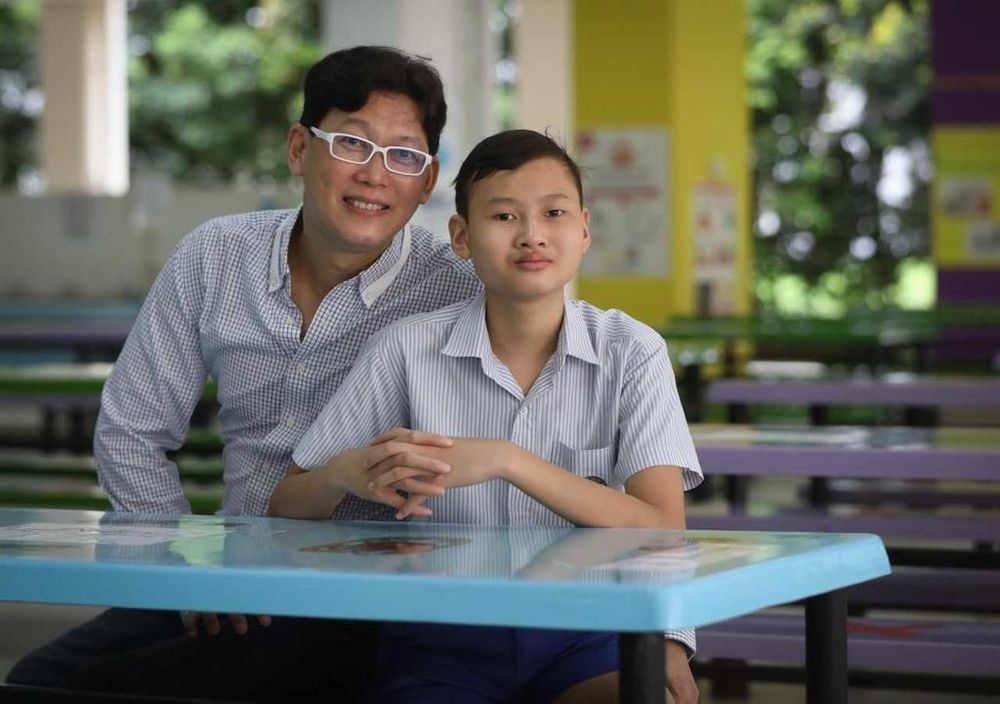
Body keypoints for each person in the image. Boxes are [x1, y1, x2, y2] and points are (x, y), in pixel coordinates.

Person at [6, 45, 480, 702]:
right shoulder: (215, 256)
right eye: (352, 143)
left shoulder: (455, 291)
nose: (376, 175)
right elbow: (132, 430)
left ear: (426, 184)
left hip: (367, 591)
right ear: (298, 149)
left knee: (123, 688)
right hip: (221, 575)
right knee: (38, 682)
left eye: (404, 155)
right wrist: (180, 575)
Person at [269, 129, 704, 703]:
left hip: (590, 627)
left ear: (584, 230)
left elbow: (660, 527)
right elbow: (285, 504)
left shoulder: (632, 350)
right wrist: (346, 476)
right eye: (503, 216)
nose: (532, 236)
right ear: (461, 237)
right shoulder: (406, 349)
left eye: (554, 213)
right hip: (441, 634)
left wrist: (505, 460)